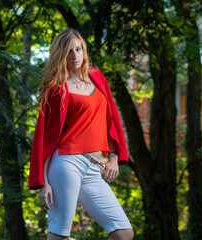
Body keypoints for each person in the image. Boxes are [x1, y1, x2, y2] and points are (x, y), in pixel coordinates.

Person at [28, 29, 134, 240]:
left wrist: (113, 157)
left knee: (123, 233)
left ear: (84, 51)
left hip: (94, 168)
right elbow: (47, 139)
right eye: (69, 52)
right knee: (60, 234)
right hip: (67, 164)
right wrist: (44, 183)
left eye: (78, 50)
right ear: (61, 55)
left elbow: (110, 118)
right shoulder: (57, 89)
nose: (75, 56)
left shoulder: (96, 77)